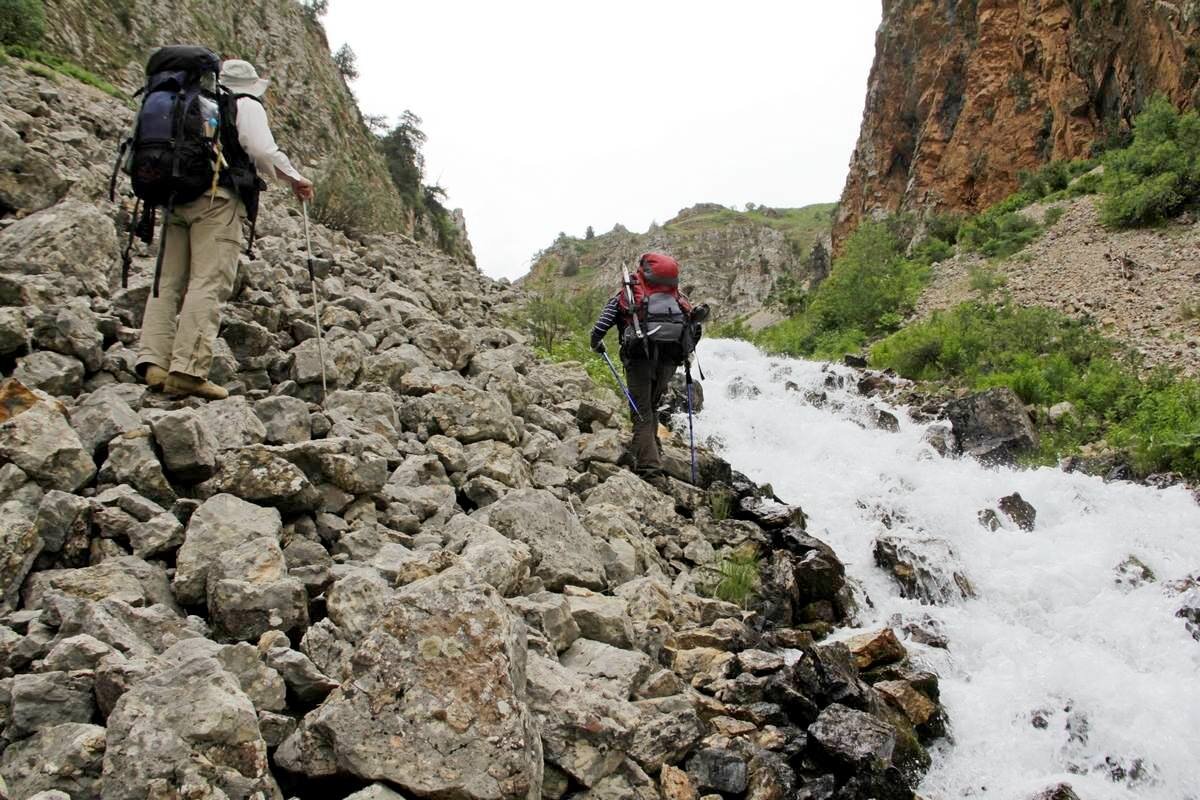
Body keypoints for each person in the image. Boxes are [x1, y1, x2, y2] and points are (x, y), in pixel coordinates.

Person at [136, 58, 314, 400]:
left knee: (168, 280)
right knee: (209, 281)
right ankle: (188, 371)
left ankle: (153, 363)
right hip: (216, 200)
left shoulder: (188, 100)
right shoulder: (242, 103)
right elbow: (261, 149)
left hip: (174, 196)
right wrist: (295, 178)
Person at [590, 253, 709, 477]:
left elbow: (600, 328)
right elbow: (695, 331)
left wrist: (597, 344)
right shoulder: (678, 299)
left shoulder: (627, 296)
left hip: (639, 360)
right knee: (651, 406)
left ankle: (649, 468)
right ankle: (653, 447)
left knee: (641, 411)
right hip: (669, 362)